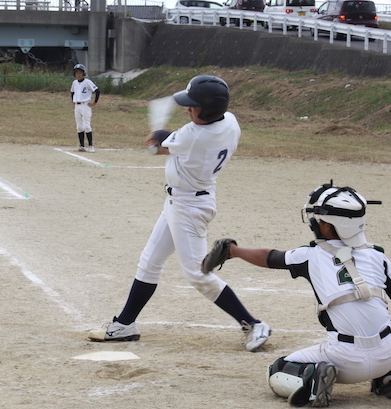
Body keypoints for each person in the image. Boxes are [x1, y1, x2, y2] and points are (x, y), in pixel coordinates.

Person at [87, 75, 271, 352]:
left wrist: (153, 142)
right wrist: (159, 142)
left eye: (193, 106)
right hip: (181, 202)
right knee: (149, 261)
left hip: (189, 208)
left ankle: (253, 324)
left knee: (198, 274)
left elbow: (160, 146)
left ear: (209, 110)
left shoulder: (194, 136)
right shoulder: (229, 121)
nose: (188, 109)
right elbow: (169, 144)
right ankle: (125, 324)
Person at [206, 183, 391, 407]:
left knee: (278, 370)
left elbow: (269, 257)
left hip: (347, 362)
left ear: (329, 227)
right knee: (378, 326)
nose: (316, 223)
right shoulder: (378, 256)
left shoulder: (310, 255)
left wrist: (234, 251)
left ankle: (315, 379)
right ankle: (387, 378)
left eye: (320, 220)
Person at [70, 63, 99, 153]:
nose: (78, 75)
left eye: (80, 73)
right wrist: (73, 102)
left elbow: (97, 90)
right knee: (79, 126)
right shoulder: (74, 83)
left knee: (86, 125)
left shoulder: (87, 82)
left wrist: (94, 102)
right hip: (77, 105)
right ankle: (82, 145)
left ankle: (90, 146)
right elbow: (72, 92)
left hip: (85, 105)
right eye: (76, 73)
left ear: (83, 74)